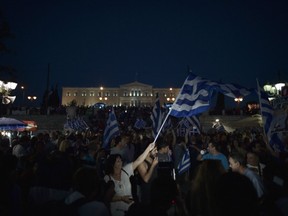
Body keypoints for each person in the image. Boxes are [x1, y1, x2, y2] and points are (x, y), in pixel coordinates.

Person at [104, 142, 156, 216]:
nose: (121, 162)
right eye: (118, 161)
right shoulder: (107, 178)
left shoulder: (126, 170)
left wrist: (148, 148)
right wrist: (121, 198)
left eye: (121, 160)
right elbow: (106, 197)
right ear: (113, 164)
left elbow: (138, 160)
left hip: (130, 210)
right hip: (116, 212)